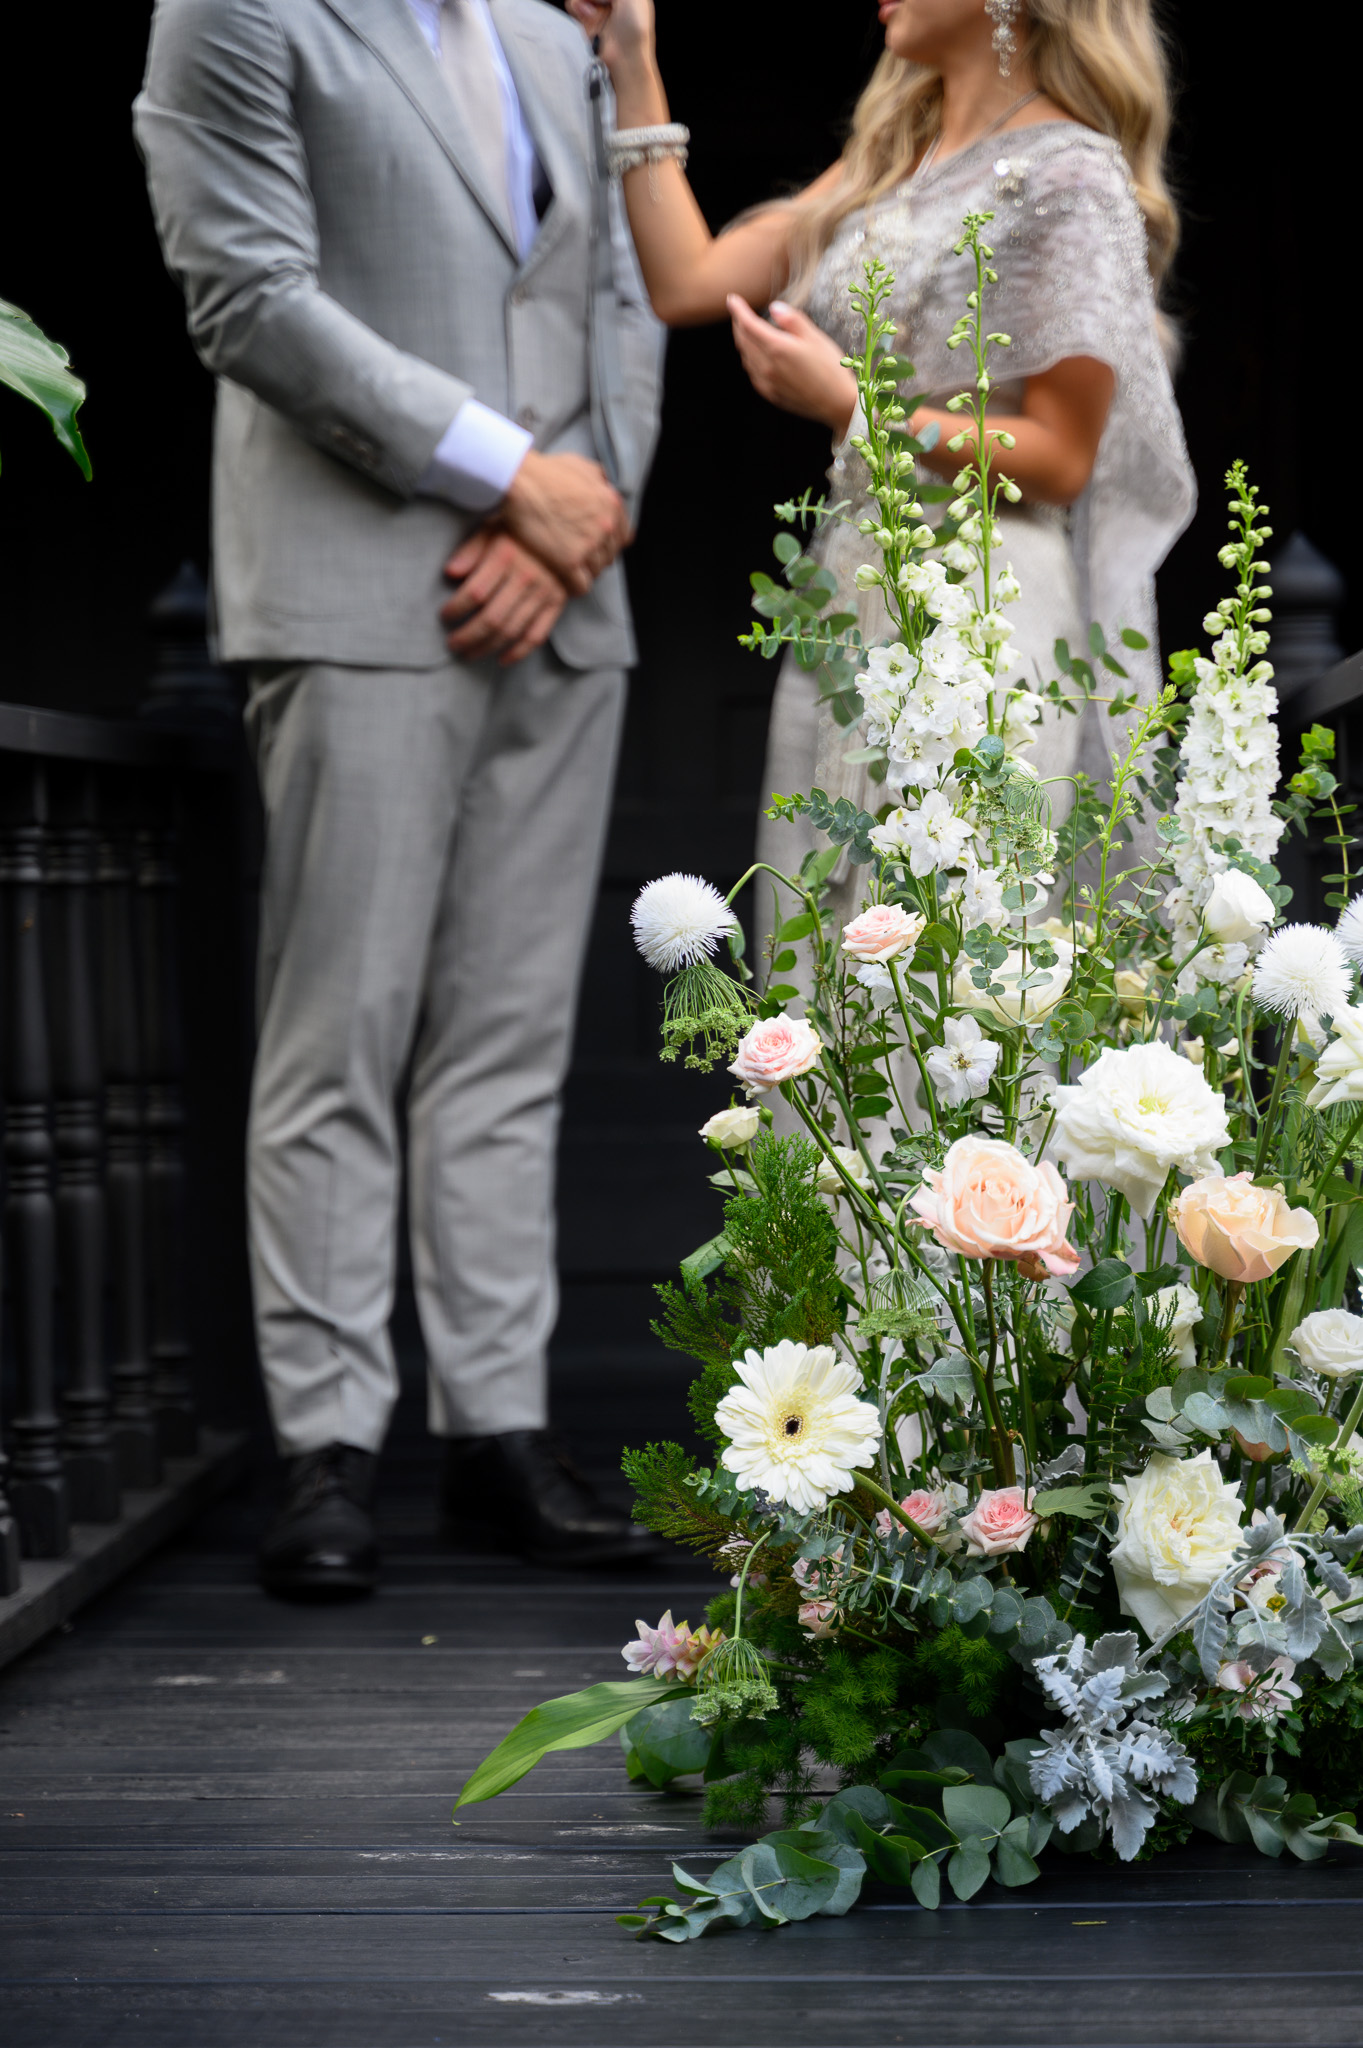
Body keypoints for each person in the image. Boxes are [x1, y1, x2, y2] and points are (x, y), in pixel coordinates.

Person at [135, 0, 666, 1596]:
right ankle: (328, 1448)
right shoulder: (231, 13)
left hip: (563, 592)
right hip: (359, 589)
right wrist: (508, 471)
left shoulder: (538, 23)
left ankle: (499, 1433)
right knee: (339, 1034)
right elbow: (250, 297)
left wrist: (574, 516)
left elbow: (621, 296)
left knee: (508, 1041)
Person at [569, 0, 1194, 910]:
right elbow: (687, 280)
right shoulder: (897, 158)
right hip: (849, 593)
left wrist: (856, 407)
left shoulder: (1071, 175)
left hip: (987, 599)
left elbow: (1061, 458)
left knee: (953, 958)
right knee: (821, 943)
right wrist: (632, 59)